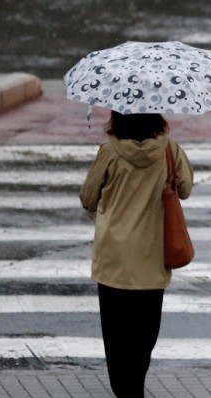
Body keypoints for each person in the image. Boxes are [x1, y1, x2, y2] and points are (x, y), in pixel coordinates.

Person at [79, 111, 194, 398]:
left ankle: (125, 389)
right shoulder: (169, 148)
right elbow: (186, 188)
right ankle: (135, 387)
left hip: (113, 259)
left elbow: (88, 198)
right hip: (151, 258)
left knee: (116, 337)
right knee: (144, 335)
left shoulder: (110, 151)